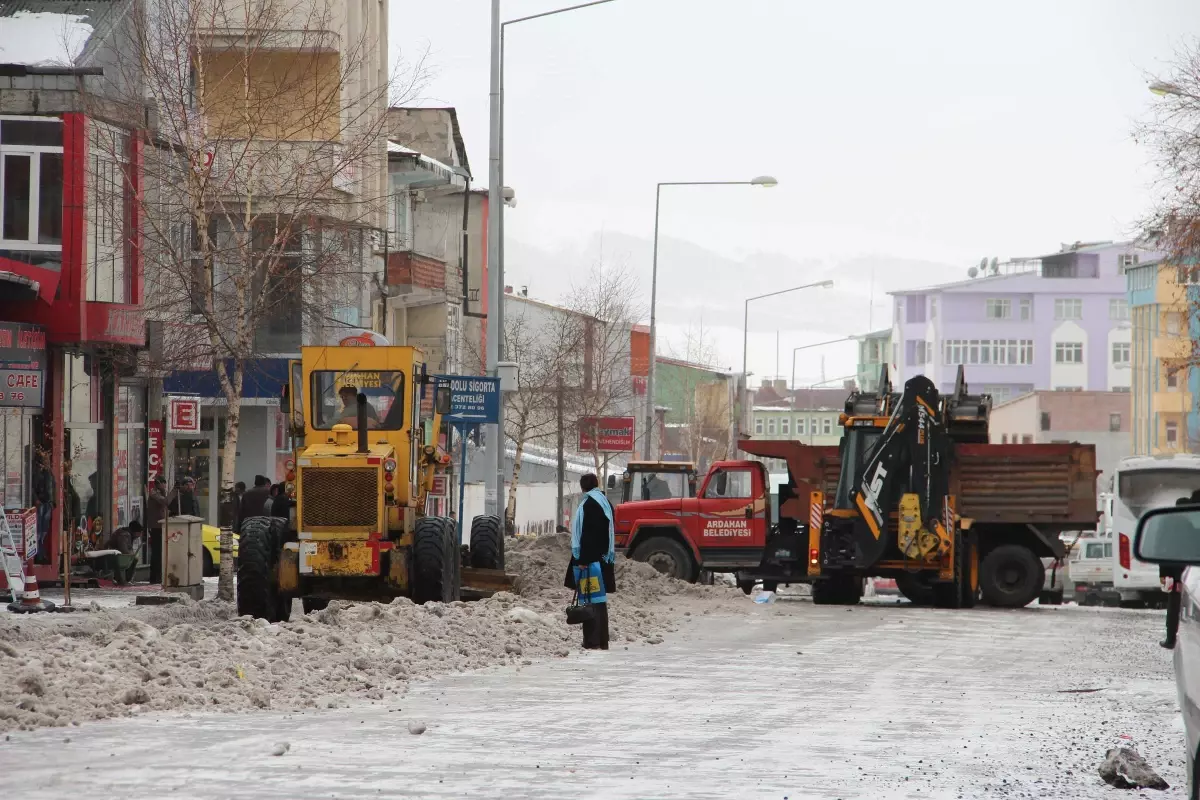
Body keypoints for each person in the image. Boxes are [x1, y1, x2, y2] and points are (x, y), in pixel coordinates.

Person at [564, 473, 616, 650]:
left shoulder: (589, 504)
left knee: (589, 600)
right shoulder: (605, 502)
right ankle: (602, 640)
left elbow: (589, 534)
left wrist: (583, 559)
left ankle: (592, 641)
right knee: (599, 602)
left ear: (582, 487)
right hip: (603, 559)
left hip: (591, 561)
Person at [1160, 490, 1200, 648]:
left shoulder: (1170, 522)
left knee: (1174, 600)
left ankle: (1171, 638)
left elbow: (1161, 547)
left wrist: (1163, 575)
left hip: (1175, 569)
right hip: (1186, 569)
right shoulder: (1192, 520)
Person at [31, 451, 55, 564]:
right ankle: (39, 555)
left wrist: (52, 502)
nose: (47, 462)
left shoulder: (48, 472)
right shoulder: (36, 472)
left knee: (44, 530)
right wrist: (36, 499)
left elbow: (52, 487)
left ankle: (40, 553)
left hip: (47, 504)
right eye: (45, 460)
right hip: (41, 503)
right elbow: (31, 486)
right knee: (39, 530)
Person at [147, 477, 169, 584]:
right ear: (159, 484)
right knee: (157, 553)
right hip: (156, 527)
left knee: (160, 552)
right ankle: (154, 577)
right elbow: (165, 501)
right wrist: (171, 491)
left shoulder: (159, 493)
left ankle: (158, 576)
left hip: (160, 526)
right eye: (164, 484)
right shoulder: (154, 493)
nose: (165, 486)